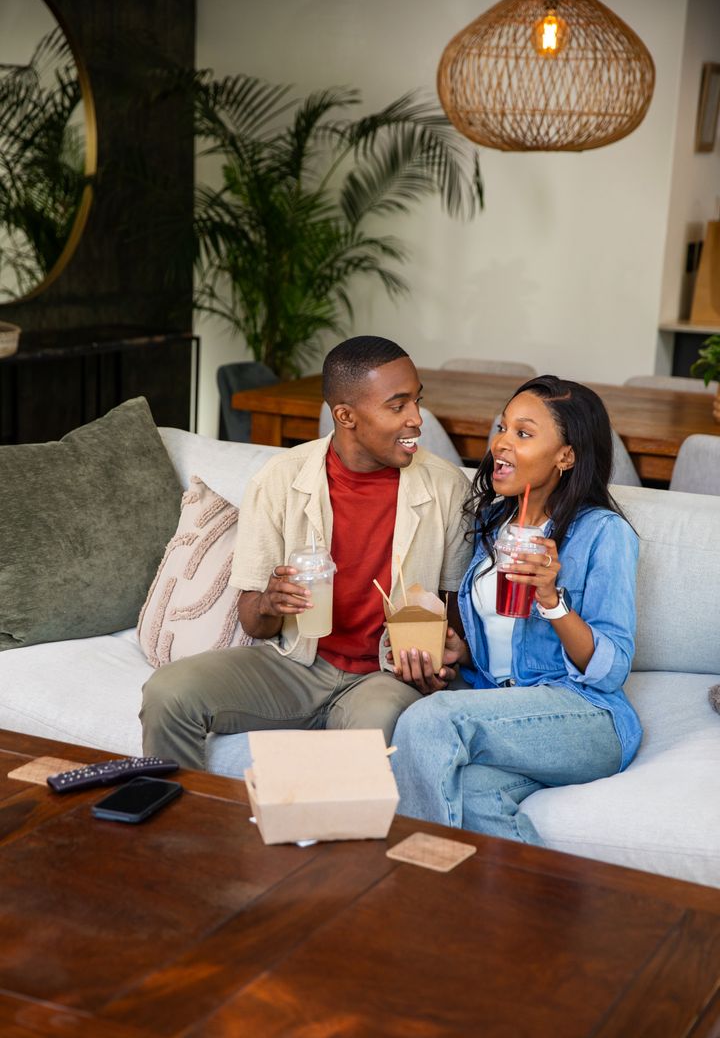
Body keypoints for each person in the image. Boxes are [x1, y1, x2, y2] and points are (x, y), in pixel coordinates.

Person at [140, 335, 471, 769]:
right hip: (297, 664)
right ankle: (181, 829)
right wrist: (270, 601)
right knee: (168, 692)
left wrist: (440, 658)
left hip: (383, 678)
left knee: (361, 744)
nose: (416, 420)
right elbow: (253, 622)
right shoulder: (280, 479)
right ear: (346, 415)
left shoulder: (447, 487)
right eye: (398, 406)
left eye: (416, 402)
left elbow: (453, 612)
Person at [390, 374, 641, 845]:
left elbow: (610, 671)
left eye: (523, 434)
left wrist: (552, 600)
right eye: (502, 428)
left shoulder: (604, 534)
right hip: (506, 706)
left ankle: (416, 891)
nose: (501, 442)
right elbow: (504, 648)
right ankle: (531, 913)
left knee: (431, 718)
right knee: (467, 794)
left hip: (587, 716)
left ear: (565, 456)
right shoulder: (493, 521)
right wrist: (463, 654)